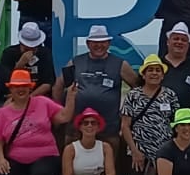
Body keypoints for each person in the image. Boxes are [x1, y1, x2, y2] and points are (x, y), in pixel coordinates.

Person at [120, 54, 180, 175]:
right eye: (150, 70)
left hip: (164, 152)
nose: (154, 73)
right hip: (139, 150)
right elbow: (125, 126)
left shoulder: (170, 95)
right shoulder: (133, 95)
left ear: (162, 75)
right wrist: (135, 151)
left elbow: (177, 123)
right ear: (143, 74)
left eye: (157, 70)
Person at [54, 24, 135, 152]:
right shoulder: (75, 62)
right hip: (76, 127)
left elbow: (136, 88)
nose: (99, 45)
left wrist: (126, 113)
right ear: (88, 43)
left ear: (109, 43)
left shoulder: (121, 64)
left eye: (103, 42)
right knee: (71, 162)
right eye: (95, 42)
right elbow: (59, 86)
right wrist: (60, 111)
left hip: (109, 128)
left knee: (109, 165)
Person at [156, 23, 190, 113]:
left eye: (184, 40)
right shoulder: (157, 64)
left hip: (186, 123)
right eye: (176, 39)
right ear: (168, 42)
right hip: (159, 120)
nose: (179, 42)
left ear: (188, 45)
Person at [0, 22, 56, 100]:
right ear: (20, 43)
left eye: (33, 48)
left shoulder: (45, 53)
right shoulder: (9, 53)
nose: (30, 51)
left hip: (37, 96)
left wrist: (29, 98)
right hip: (14, 95)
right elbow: (5, 81)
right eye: (26, 48)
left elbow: (47, 84)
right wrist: (20, 64)